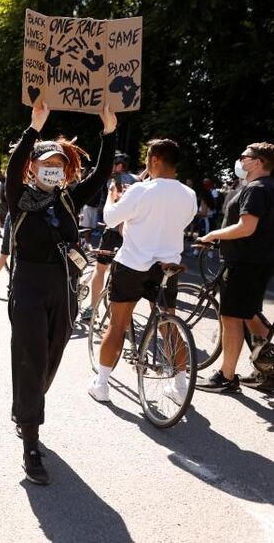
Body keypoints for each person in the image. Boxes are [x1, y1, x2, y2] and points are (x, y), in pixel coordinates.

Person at [6, 103, 116, 485]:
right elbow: (11, 166)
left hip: (64, 287)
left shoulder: (70, 198)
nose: (52, 168)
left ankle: (27, 404)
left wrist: (109, 131)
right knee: (31, 357)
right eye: (45, 162)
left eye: (58, 163)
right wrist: (34, 129)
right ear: (33, 167)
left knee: (51, 356)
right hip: (28, 285)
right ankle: (31, 440)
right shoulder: (17, 196)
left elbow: (102, 172)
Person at [87, 139, 197, 405]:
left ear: (155, 160)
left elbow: (111, 219)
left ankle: (101, 384)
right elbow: (184, 221)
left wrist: (115, 198)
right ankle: (179, 385)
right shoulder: (188, 194)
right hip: (167, 266)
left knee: (117, 325)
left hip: (133, 263)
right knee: (169, 326)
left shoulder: (139, 190)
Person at [196, 142, 274, 392]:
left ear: (258, 162)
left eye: (245, 157)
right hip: (256, 261)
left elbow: (246, 227)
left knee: (230, 317)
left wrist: (213, 235)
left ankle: (226, 378)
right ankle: (268, 371)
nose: (240, 160)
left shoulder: (257, 188)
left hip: (245, 261)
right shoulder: (267, 187)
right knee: (248, 314)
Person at [81, 152, 139, 319]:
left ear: (119, 166)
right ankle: (122, 315)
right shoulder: (137, 180)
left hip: (115, 232)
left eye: (112, 164)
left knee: (100, 270)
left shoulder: (116, 181)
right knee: (124, 273)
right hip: (132, 234)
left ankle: (92, 308)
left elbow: (118, 204)